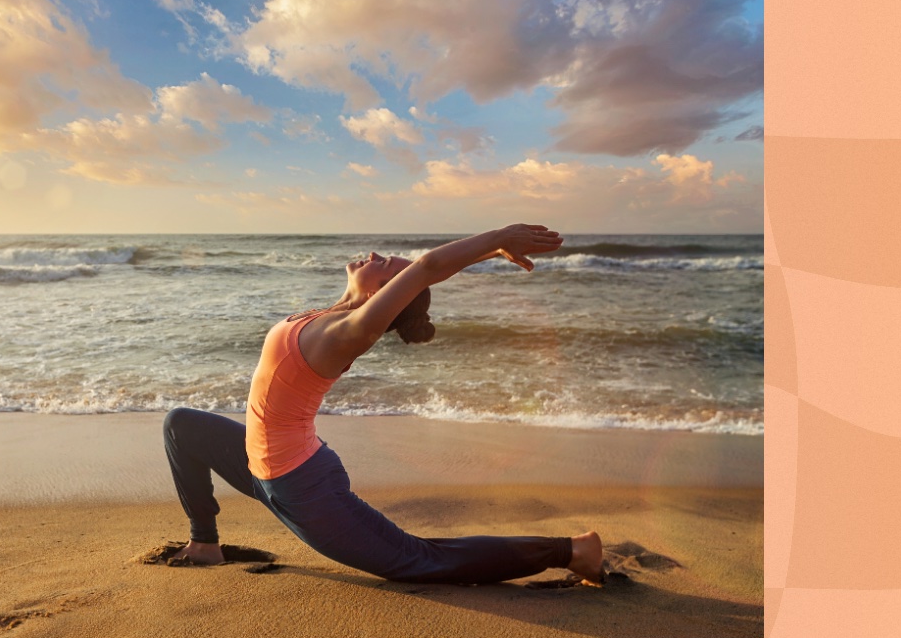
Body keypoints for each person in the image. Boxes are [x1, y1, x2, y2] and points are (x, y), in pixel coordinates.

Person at [163, 224, 604, 585]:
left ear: (385, 295)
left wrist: (496, 238)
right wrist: (490, 253)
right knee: (181, 425)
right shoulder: (329, 317)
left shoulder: (348, 334)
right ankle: (205, 543)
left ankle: (572, 551)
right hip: (260, 469)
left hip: (305, 489)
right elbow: (424, 273)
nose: (374, 256)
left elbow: (428, 268)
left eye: (386, 265)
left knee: (420, 559)